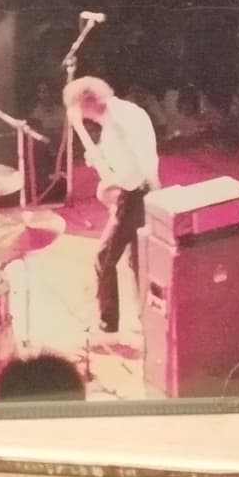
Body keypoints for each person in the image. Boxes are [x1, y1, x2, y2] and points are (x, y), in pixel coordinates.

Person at [63, 75, 159, 334]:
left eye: (82, 110)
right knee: (137, 261)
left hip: (134, 196)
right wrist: (100, 154)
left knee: (104, 257)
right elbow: (128, 155)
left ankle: (108, 322)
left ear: (88, 102)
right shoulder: (125, 112)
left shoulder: (117, 123)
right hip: (144, 194)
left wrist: (79, 129)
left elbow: (128, 172)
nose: (84, 117)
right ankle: (147, 319)